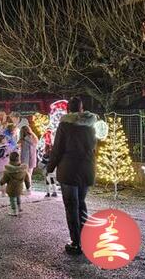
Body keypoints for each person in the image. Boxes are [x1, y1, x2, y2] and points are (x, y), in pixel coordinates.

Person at [47, 97, 97, 255]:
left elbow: (58, 148)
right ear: (82, 109)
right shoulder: (91, 125)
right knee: (81, 204)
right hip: (86, 168)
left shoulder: (65, 125)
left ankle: (76, 243)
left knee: (71, 206)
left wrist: (50, 167)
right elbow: (95, 146)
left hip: (69, 170)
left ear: (68, 110)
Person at [0, 152, 31, 216]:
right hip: (20, 187)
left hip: (11, 189)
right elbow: (27, 180)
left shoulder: (8, 170)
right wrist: (28, 187)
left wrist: (1, 183)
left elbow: (4, 179)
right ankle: (19, 208)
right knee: (18, 197)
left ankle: (14, 211)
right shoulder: (23, 170)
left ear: (10, 159)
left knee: (12, 199)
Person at [19, 125, 39, 194]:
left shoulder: (23, 140)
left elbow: (23, 151)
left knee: (26, 174)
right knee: (29, 174)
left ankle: (28, 189)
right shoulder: (34, 138)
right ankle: (29, 189)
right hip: (32, 158)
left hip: (25, 159)